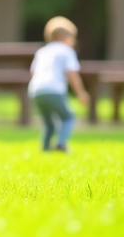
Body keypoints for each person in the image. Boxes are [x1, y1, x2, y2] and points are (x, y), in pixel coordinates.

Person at [29, 17, 90, 153]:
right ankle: (61, 143)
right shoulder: (66, 51)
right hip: (54, 89)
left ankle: (45, 148)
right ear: (64, 37)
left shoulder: (42, 51)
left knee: (49, 123)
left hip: (36, 90)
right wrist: (81, 93)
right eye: (73, 38)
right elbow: (72, 74)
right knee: (68, 117)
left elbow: (33, 72)